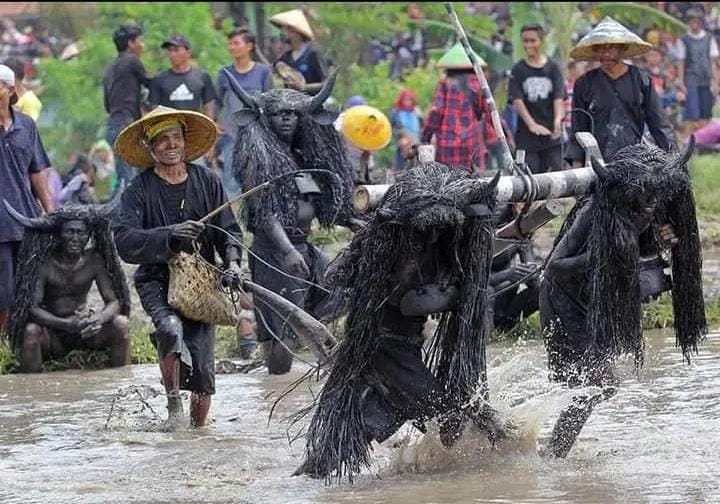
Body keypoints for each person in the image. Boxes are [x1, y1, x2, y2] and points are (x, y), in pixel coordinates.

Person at [294, 162, 507, 480]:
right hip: (385, 349)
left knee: (381, 413)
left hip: (406, 348)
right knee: (446, 415)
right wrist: (368, 258)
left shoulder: (448, 249)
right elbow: (337, 275)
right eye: (426, 229)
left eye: (442, 229)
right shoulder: (390, 246)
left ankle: (319, 470)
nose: (434, 234)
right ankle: (465, 468)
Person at [540, 140, 706, 458]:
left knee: (594, 384)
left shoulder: (651, 204)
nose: (651, 203)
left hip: (595, 301)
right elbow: (555, 268)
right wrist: (602, 255)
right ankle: (553, 456)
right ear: (629, 190)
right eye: (646, 196)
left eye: (658, 195)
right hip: (564, 300)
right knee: (599, 383)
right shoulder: (595, 210)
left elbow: (631, 251)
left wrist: (658, 244)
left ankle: (548, 448)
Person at [112, 106, 243, 428]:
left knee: (202, 370)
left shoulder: (208, 181)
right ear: (150, 148)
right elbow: (124, 239)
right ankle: (173, 405)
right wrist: (168, 234)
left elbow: (229, 230)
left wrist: (235, 264)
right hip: (156, 278)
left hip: (201, 281)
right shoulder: (138, 190)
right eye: (162, 140)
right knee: (170, 330)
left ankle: (198, 432)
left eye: (175, 137)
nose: (170, 145)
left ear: (185, 141)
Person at [224, 71, 356, 375]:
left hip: (303, 247)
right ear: (265, 118)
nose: (287, 120)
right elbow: (264, 212)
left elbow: (325, 203)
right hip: (274, 254)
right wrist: (286, 251)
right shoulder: (256, 159)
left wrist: (352, 221)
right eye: (279, 114)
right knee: (279, 347)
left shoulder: (300, 155)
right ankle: (274, 383)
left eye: (293, 115)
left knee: (342, 290)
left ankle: (306, 335)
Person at [3, 198, 131, 373]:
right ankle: (32, 390)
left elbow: (114, 301)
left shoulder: (94, 260)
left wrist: (98, 319)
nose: (75, 238)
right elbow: (32, 308)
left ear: (88, 236)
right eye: (69, 232)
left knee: (121, 324)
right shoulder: (44, 263)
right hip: (53, 332)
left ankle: (123, 384)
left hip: (85, 330)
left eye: (81, 233)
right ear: (58, 235)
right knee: (31, 331)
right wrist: (64, 323)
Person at [567, 17, 676, 163]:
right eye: (600, 48)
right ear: (595, 50)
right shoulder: (584, 83)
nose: (606, 53)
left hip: (634, 160)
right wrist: (577, 164)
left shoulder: (641, 80)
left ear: (622, 48)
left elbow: (658, 123)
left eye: (611, 47)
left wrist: (673, 158)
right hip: (596, 161)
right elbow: (578, 128)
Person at [0, 63, 53, 336]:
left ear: (9, 90)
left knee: (29, 285)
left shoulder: (26, 126)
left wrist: (51, 213)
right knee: (2, 292)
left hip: (24, 220)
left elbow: (37, 173)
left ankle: (24, 341)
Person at [215, 28, 273, 197]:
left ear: (249, 46)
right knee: (230, 178)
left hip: (258, 135)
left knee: (259, 177)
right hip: (230, 134)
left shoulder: (263, 72)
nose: (231, 47)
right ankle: (232, 218)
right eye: (230, 43)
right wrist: (214, 123)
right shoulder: (224, 73)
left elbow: (269, 102)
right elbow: (217, 103)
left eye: (236, 43)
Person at [421, 43, 493, 171]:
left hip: (447, 143)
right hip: (472, 142)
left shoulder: (444, 84)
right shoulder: (480, 84)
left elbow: (436, 111)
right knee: (473, 182)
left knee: (449, 183)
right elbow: (490, 111)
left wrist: (426, 135)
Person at [508, 24, 566, 174]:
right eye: (525, 41)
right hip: (527, 138)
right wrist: (532, 124)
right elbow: (517, 100)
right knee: (530, 176)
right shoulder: (518, 70)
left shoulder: (553, 68)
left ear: (541, 41)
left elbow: (558, 97)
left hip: (552, 134)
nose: (528, 45)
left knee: (557, 172)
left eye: (532, 41)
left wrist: (558, 120)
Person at [102, 25, 151, 189]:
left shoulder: (109, 68)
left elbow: (108, 106)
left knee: (124, 175)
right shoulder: (132, 60)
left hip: (113, 126)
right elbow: (151, 83)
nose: (142, 45)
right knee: (130, 181)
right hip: (126, 125)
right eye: (140, 41)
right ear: (131, 43)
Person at [149, 35, 216, 119]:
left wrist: (209, 127)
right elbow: (154, 108)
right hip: (169, 128)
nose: (172, 54)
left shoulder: (202, 77)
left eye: (176, 50)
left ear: (188, 52)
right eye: (170, 50)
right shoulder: (159, 79)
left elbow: (209, 105)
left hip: (194, 127)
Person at [676, 8, 720, 134]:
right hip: (691, 79)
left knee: (706, 112)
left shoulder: (709, 38)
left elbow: (713, 62)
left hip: (706, 78)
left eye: (697, 21)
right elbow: (681, 62)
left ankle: (703, 141)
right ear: (688, 22)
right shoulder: (684, 40)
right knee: (692, 112)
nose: (694, 24)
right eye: (692, 21)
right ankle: (688, 141)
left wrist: (716, 81)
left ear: (701, 22)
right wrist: (681, 82)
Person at [270, 9, 328, 95]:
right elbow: (271, 70)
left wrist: (304, 87)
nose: (282, 33)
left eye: (285, 29)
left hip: (313, 103)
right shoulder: (286, 57)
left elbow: (326, 83)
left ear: (295, 32)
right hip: (291, 103)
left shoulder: (313, 53)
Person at [390, 89, 423, 172]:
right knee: (404, 145)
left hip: (417, 138)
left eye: (410, 100)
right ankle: (400, 171)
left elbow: (422, 126)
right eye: (405, 100)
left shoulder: (416, 112)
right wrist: (406, 136)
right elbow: (397, 128)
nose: (408, 102)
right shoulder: (396, 112)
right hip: (403, 138)